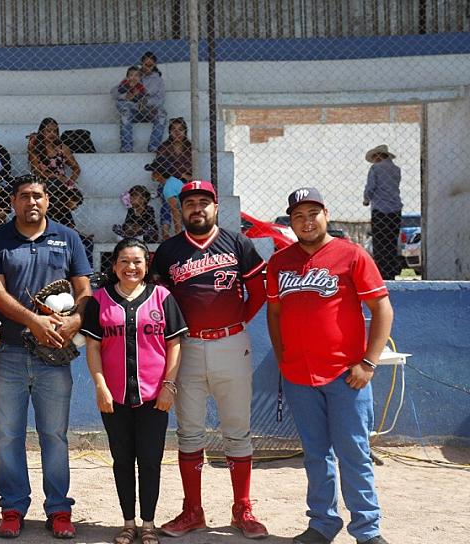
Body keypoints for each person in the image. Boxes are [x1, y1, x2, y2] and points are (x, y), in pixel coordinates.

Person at [266, 187, 394, 544]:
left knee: (354, 453)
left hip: (345, 376)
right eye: (298, 216)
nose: (307, 222)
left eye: (313, 213)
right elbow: (274, 314)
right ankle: (323, 523)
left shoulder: (351, 255)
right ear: (291, 221)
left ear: (326, 214)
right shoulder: (280, 262)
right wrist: (282, 356)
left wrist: (368, 362)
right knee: (316, 455)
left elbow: (382, 309)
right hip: (298, 376)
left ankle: (367, 531)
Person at [151, 180, 269, 540]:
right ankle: (193, 510)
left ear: (216, 207)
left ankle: (242, 508)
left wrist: (234, 324)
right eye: (190, 203)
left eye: (204, 202)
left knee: (237, 429)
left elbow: (259, 291)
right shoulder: (168, 251)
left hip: (232, 343)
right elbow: (159, 302)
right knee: (189, 431)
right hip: (186, 347)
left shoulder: (237, 242)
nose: (197, 208)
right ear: (180, 209)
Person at [0, 174, 92, 539]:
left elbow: (84, 289)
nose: (32, 201)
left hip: (54, 354)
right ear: (13, 201)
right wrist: (34, 320)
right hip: (9, 351)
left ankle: (59, 509)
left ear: (47, 201)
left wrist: (75, 320)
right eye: (25, 195)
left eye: (38, 196)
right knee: (8, 435)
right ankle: (12, 506)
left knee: (54, 435)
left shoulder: (68, 238)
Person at [81, 238, 187, 544]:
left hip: (155, 396)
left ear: (146, 264)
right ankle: (128, 523)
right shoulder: (100, 300)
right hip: (115, 397)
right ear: (114, 266)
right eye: (124, 261)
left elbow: (175, 344)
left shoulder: (162, 296)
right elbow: (93, 347)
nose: (131, 267)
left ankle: (148, 524)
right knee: (123, 460)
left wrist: (169, 386)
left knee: (151, 461)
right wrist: (100, 386)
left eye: (137, 261)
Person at [28, 117, 82, 229]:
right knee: (54, 190)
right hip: (43, 183)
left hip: (61, 185)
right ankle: (69, 227)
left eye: (55, 131)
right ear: (42, 131)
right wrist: (52, 176)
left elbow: (76, 168)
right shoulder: (36, 147)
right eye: (48, 131)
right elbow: (36, 170)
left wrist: (70, 182)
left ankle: (53, 225)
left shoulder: (62, 148)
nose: (52, 134)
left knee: (60, 193)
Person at [111, 52, 166, 153]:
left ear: (155, 65)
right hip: (134, 111)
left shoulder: (158, 81)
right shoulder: (133, 75)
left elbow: (160, 100)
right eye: (146, 64)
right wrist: (125, 96)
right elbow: (114, 92)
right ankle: (126, 148)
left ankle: (154, 147)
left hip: (148, 111)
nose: (148, 67)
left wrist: (144, 101)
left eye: (151, 65)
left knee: (162, 114)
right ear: (142, 64)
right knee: (124, 109)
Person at [363, 144, 402, 280]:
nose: (374, 160)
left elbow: (371, 187)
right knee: (392, 242)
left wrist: (366, 200)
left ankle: (381, 273)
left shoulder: (375, 168)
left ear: (378, 156)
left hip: (380, 210)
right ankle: (392, 272)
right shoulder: (396, 170)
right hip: (395, 210)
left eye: (374, 157)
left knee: (380, 243)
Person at [145, 157, 183, 240]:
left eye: (154, 172)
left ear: (159, 174)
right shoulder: (173, 181)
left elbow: (175, 211)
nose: (152, 175)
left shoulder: (167, 188)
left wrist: (178, 233)